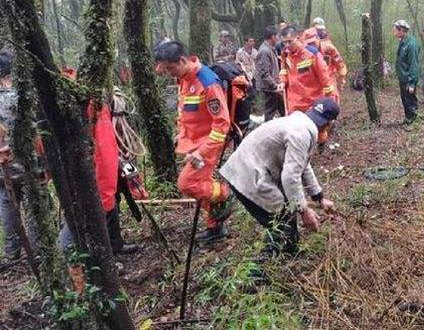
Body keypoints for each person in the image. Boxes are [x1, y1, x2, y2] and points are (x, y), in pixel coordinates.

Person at [220, 97, 338, 258]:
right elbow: (290, 177)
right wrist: (304, 211)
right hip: (248, 175)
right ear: (329, 124)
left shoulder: (300, 124)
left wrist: (319, 198)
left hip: (246, 169)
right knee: (281, 222)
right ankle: (260, 270)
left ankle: (290, 255)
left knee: (286, 216)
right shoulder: (301, 133)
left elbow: (303, 166)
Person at [155, 41, 234, 244]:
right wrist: (180, 135)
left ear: (182, 60)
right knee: (200, 184)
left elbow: (221, 125)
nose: (170, 73)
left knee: (188, 183)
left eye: (171, 68)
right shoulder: (183, 78)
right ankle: (215, 226)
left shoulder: (208, 83)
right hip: (191, 145)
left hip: (207, 145)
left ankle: (226, 193)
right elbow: (187, 113)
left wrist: (203, 151)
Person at [58, 68, 139, 254]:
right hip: (95, 165)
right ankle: (86, 255)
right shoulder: (77, 104)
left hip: (109, 160)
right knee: (95, 207)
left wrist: (121, 163)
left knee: (112, 200)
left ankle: (115, 245)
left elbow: (109, 134)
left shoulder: (98, 102)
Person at [0, 50, 24, 260]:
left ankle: (12, 249)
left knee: (6, 202)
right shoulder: (18, 94)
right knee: (36, 201)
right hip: (21, 159)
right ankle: (39, 249)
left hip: (3, 163)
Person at [279, 26, 335, 114]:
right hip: (293, 107)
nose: (287, 45)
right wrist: (283, 81)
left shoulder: (312, 54)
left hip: (311, 106)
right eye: (284, 43)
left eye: (290, 42)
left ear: (297, 38)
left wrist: (330, 103)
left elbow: (325, 79)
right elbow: (284, 70)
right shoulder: (285, 54)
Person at [255, 26, 285, 122]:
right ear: (272, 36)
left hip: (275, 87)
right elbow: (264, 73)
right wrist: (275, 85)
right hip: (270, 88)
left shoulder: (271, 49)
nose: (278, 38)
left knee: (283, 109)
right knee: (270, 112)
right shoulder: (264, 51)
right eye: (277, 36)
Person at [393, 20, 420, 124]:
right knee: (405, 99)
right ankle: (408, 119)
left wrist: (412, 82)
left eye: (395, 30)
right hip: (403, 78)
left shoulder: (411, 44)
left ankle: (413, 121)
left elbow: (414, 64)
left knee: (410, 100)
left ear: (402, 30)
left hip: (408, 79)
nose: (394, 32)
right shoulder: (403, 41)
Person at [313, 21, 348, 98]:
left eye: (320, 30)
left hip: (329, 80)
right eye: (316, 30)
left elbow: (340, 65)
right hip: (315, 83)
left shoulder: (329, 47)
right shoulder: (308, 47)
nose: (319, 32)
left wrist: (341, 80)